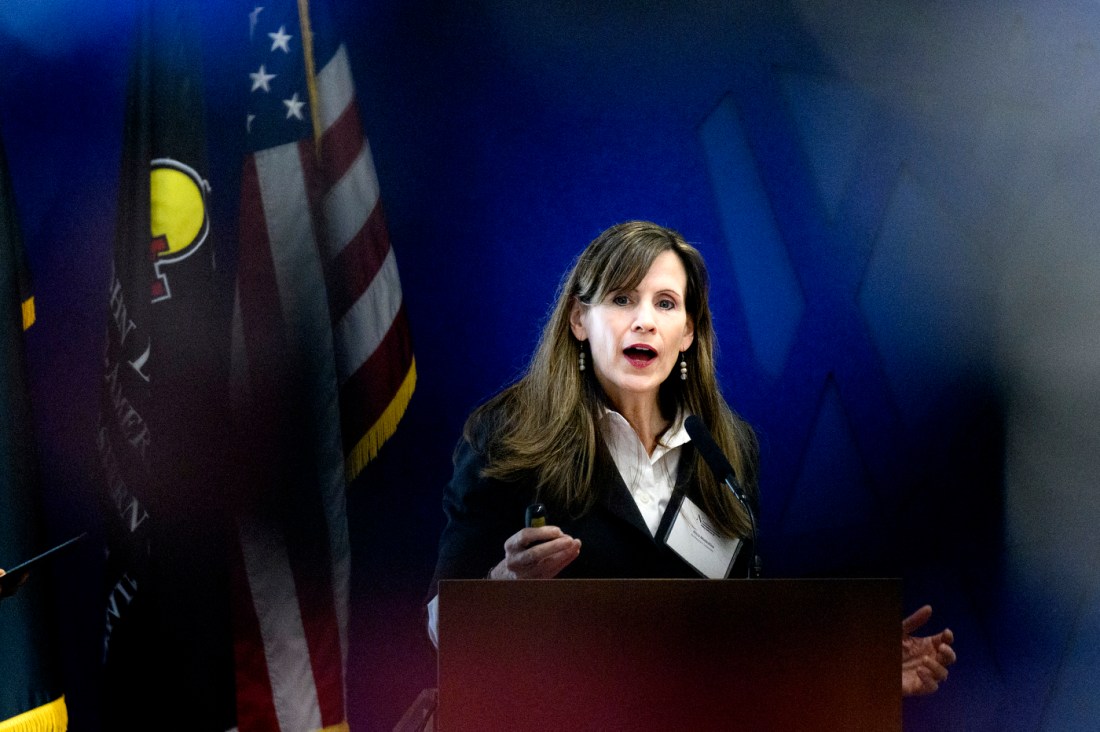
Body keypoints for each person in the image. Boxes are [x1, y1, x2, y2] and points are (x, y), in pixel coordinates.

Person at [427, 220, 956, 696]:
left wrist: (855, 665)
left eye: (665, 303)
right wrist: (504, 588)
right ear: (579, 321)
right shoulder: (510, 439)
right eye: (621, 299)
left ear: (688, 332)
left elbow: (738, 637)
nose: (644, 322)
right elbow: (440, 633)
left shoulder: (726, 450)